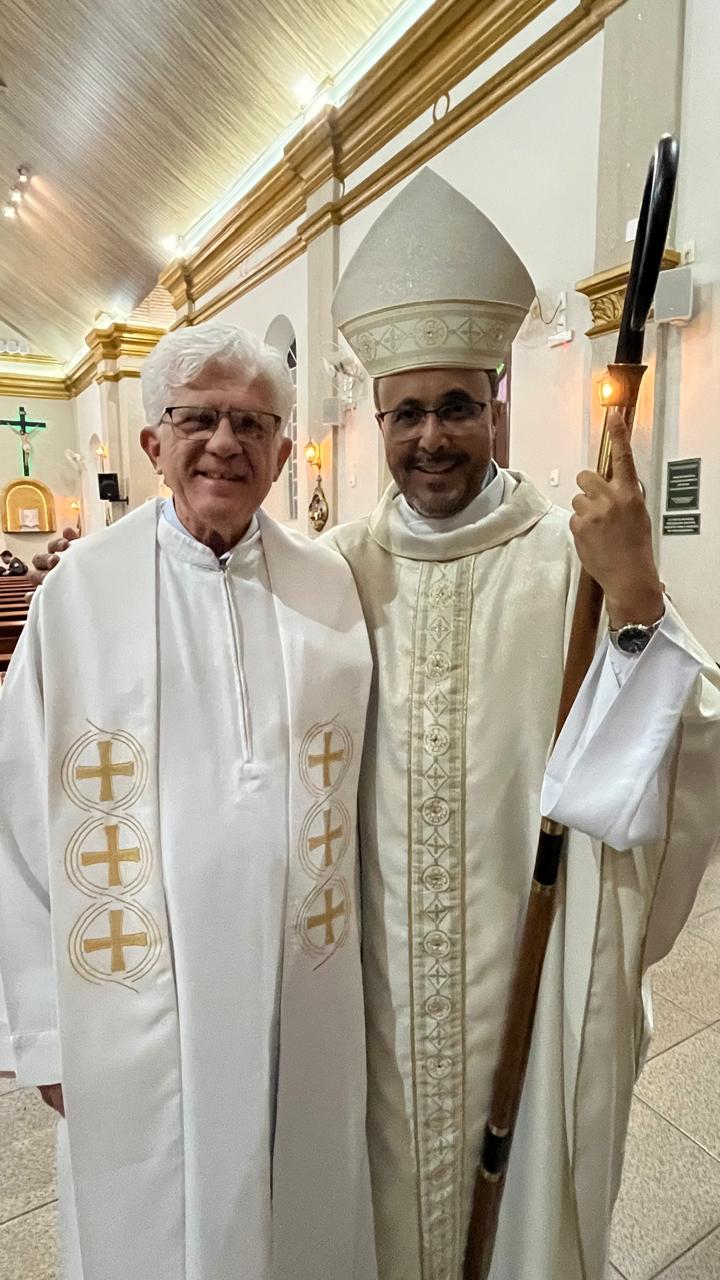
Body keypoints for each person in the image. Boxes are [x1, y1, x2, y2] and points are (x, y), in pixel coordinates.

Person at [324, 169, 720, 1279]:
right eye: (407, 411)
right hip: (373, 999)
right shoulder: (336, 572)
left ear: (498, 401)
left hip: (530, 987)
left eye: (457, 405)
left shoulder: (570, 561)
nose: (432, 436)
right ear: (377, 419)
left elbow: (688, 741)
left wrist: (637, 593)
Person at [0, 324, 376, 1280]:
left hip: (301, 987)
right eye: (198, 418)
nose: (225, 443)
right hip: (132, 1002)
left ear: (284, 454)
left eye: (253, 424)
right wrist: (44, 1033)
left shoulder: (329, 586)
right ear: (152, 443)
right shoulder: (79, 596)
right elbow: (17, 823)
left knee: (298, 1216)